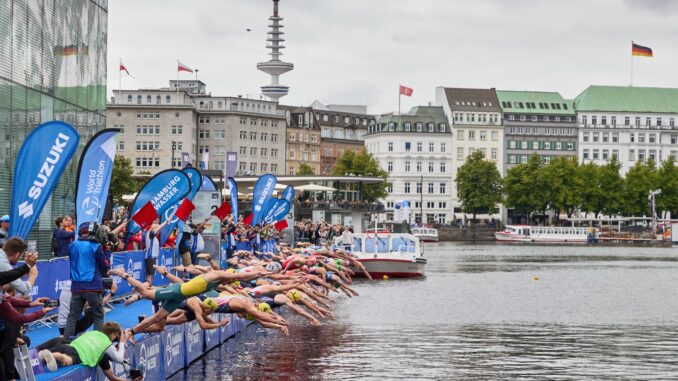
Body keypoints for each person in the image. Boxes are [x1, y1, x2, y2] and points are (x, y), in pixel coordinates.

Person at [37, 322, 137, 381]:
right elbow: (119, 358)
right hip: (79, 355)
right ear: (114, 334)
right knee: (65, 360)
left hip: (68, 346)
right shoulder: (106, 344)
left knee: (59, 354)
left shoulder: (92, 332)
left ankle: (45, 354)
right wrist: (122, 342)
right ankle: (54, 356)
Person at [64, 222, 110, 338]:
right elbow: (105, 266)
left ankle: (66, 340)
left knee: (72, 315)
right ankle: (98, 342)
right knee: (98, 316)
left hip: (76, 286)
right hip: (92, 286)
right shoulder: (96, 246)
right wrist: (107, 250)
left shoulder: (72, 245)